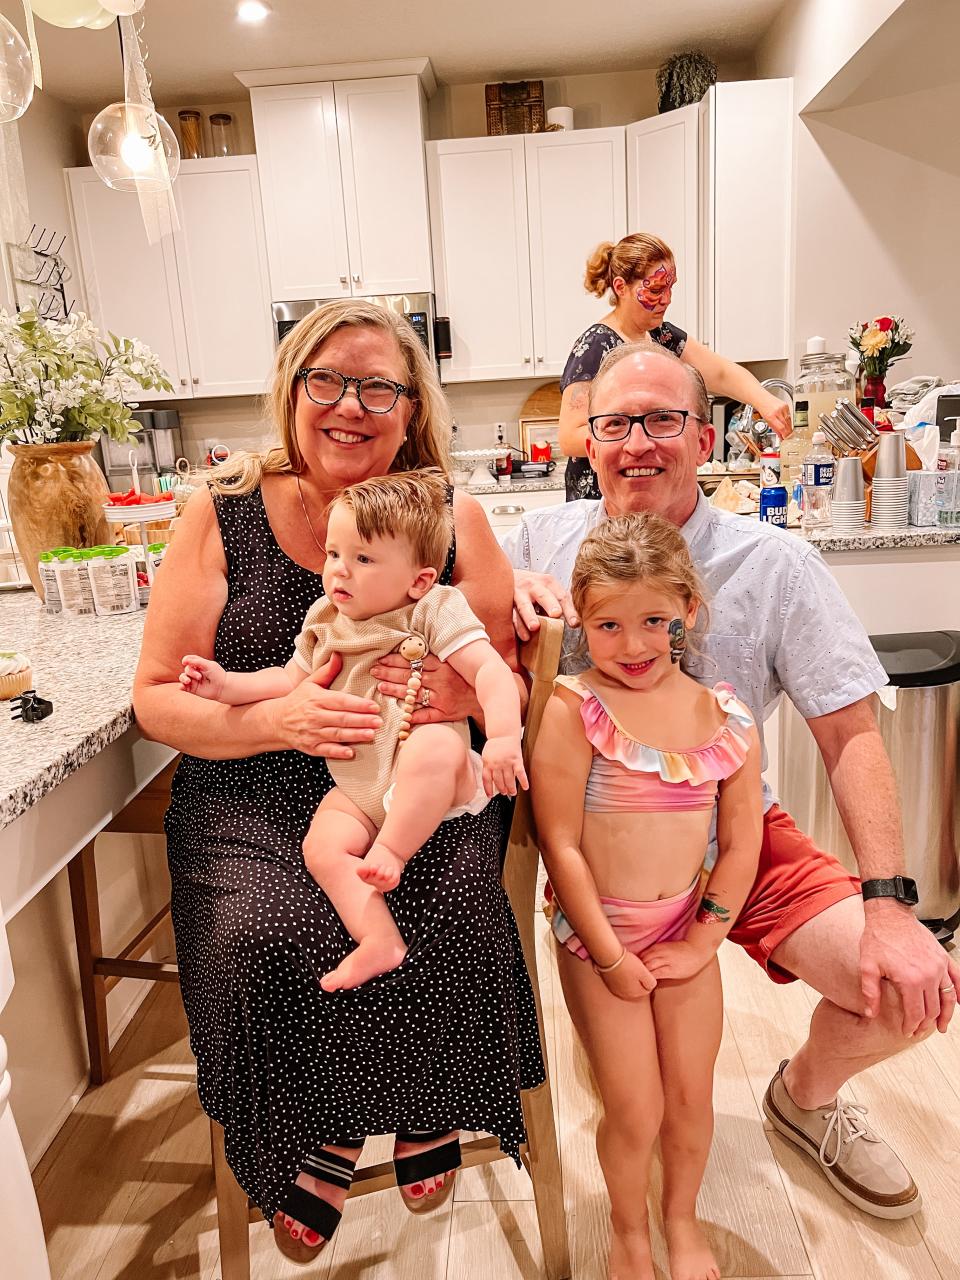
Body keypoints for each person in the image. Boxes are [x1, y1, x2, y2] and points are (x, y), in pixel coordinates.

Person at [504, 341, 960, 1222]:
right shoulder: (536, 541)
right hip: (590, 868)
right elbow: (425, 583)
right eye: (614, 423)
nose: (637, 441)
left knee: (910, 990)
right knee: (635, 1097)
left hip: (732, 838)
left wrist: (891, 903)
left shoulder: (776, 566)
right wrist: (497, 585)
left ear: (704, 438)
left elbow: (850, 730)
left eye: (663, 420)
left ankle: (806, 1096)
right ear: (588, 441)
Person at [133, 300, 544, 1266]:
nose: (349, 405)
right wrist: (273, 717)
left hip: (409, 782)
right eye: (327, 380)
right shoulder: (219, 513)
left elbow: (495, 678)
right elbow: (157, 701)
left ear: (412, 410)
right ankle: (317, 1129)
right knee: (258, 928)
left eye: (378, 387)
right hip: (247, 792)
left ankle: (423, 1097)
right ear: (292, 392)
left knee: (439, 896)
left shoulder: (452, 519)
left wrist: (456, 690)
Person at [178, 469, 527, 993]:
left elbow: (491, 672)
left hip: (434, 773)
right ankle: (379, 939)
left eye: (363, 559)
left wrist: (501, 738)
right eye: (334, 554)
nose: (340, 572)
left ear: (419, 579)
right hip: (358, 786)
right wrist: (226, 686)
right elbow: (287, 679)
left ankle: (394, 850)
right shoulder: (326, 618)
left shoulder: (433, 610)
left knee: (432, 749)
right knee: (322, 847)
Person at [532, 512, 762, 1280]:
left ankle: (681, 1219)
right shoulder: (573, 711)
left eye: (653, 621)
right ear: (581, 618)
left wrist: (704, 939)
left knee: (691, 1098)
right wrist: (604, 954)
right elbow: (559, 843)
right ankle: (630, 1235)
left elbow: (742, 843)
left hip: (683, 931)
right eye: (608, 625)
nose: (631, 646)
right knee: (635, 1109)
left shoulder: (724, 717)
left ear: (688, 611)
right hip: (599, 937)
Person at [558, 232, 793, 501]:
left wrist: (765, 401)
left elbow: (721, 373)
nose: (667, 299)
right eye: (656, 289)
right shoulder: (596, 346)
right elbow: (570, 436)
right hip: (604, 500)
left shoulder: (661, 336)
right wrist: (643, 434)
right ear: (621, 287)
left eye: (671, 287)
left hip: (646, 495)